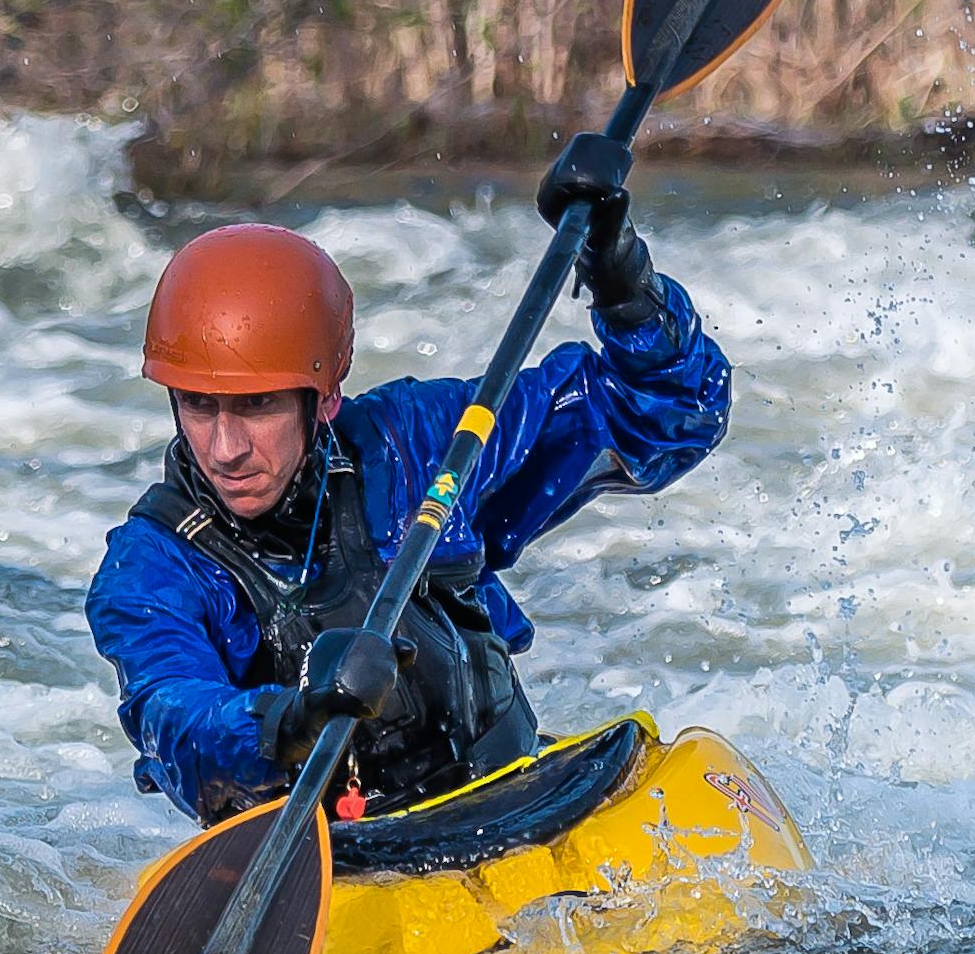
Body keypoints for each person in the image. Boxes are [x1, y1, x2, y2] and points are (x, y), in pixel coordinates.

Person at [84, 137, 732, 823]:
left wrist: (622, 278)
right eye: (198, 404)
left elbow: (671, 415)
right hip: (336, 862)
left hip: (515, 803)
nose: (225, 448)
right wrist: (290, 721)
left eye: (258, 406)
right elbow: (173, 715)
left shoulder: (417, 444)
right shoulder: (150, 566)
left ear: (325, 394)